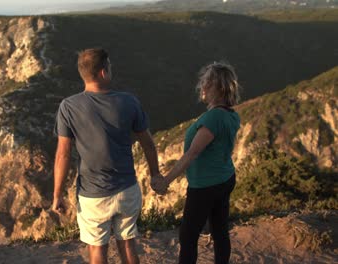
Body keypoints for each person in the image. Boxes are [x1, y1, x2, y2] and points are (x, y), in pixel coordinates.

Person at [52, 48, 161, 264]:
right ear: (103, 72)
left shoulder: (68, 106)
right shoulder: (128, 101)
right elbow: (148, 143)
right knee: (127, 245)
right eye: (109, 67)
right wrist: (155, 174)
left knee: (97, 250)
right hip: (127, 189)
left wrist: (57, 195)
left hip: (93, 195)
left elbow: (62, 155)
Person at [152, 62, 241, 264]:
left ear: (219, 88)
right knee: (220, 231)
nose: (202, 87)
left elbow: (192, 153)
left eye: (207, 84)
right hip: (225, 178)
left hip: (205, 185)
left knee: (188, 236)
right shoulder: (230, 114)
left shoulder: (214, 118)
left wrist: (167, 180)